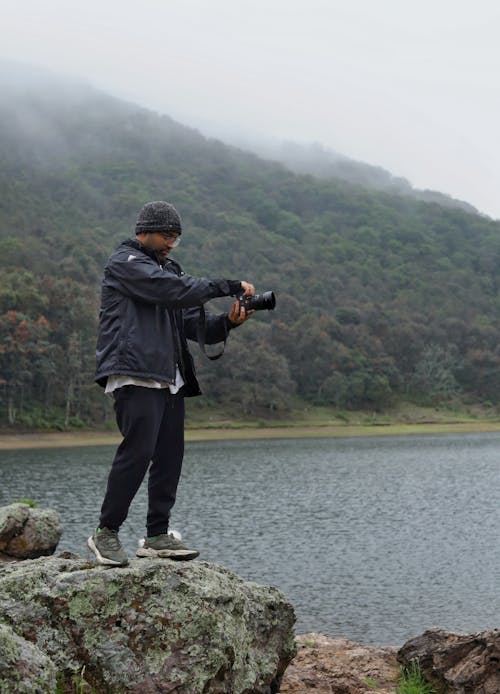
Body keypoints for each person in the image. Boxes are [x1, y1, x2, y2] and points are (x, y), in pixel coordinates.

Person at [88, 201, 254, 566]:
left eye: (176, 238)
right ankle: (106, 533)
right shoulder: (124, 264)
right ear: (143, 231)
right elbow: (168, 289)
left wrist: (229, 322)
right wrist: (224, 285)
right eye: (166, 236)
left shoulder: (171, 274)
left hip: (169, 378)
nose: (171, 244)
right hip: (134, 370)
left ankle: (157, 535)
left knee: (169, 457)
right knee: (139, 451)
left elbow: (198, 329)